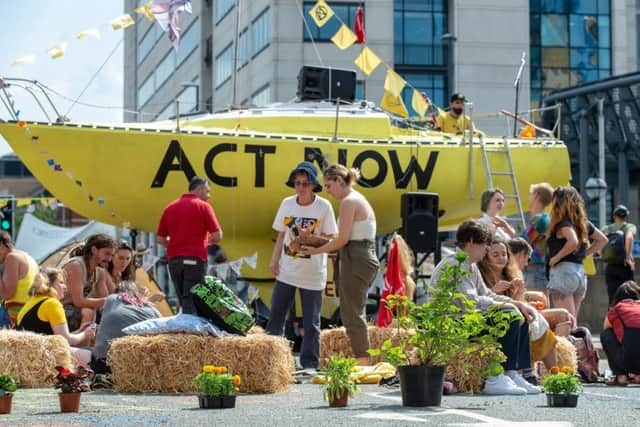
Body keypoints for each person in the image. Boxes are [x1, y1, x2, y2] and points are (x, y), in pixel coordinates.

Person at [430, 220, 540, 395]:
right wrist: (508, 306)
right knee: (509, 315)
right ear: (472, 242)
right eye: (485, 244)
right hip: (452, 324)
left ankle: (512, 373)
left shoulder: (469, 264)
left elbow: (487, 294)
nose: (487, 249)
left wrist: (518, 304)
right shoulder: (455, 264)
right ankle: (495, 378)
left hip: (464, 319)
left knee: (518, 314)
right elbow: (471, 302)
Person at [301, 164, 380, 365]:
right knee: (354, 310)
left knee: (352, 312)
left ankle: (363, 361)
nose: (327, 191)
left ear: (338, 180)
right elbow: (342, 238)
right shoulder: (356, 199)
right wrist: (317, 240)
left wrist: (315, 250)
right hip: (359, 255)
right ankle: (364, 358)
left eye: (328, 185)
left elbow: (342, 239)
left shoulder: (349, 202)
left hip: (356, 256)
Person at [266, 162, 338, 370]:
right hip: (287, 270)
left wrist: (311, 236)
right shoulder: (287, 203)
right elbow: (281, 235)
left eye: (305, 183)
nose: (301, 187)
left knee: (311, 323)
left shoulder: (324, 206)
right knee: (276, 318)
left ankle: (309, 364)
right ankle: (272, 361)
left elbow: (331, 237)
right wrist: (274, 260)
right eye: (297, 183)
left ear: (313, 185)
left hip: (313, 273)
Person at [478, 238, 560, 383]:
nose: (501, 258)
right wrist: (493, 290)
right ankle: (526, 371)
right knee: (527, 320)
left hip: (513, 312)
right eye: (495, 255)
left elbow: (517, 302)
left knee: (540, 325)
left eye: (504, 254)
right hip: (492, 315)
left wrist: (519, 290)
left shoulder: (510, 273)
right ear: (486, 257)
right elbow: (481, 300)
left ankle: (556, 375)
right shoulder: (481, 275)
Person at [157, 176, 222, 314]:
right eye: (207, 191)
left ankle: (185, 330)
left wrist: (176, 243)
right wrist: (205, 241)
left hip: (174, 261)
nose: (209, 196)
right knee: (193, 301)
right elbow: (217, 236)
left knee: (183, 300)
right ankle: (192, 333)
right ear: (199, 189)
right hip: (195, 258)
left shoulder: (170, 207)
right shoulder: (204, 206)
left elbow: (160, 239)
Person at [546, 186, 607, 322]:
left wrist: (556, 257)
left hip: (563, 272)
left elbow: (572, 241)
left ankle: (570, 343)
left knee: (566, 322)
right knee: (572, 321)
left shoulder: (563, 224)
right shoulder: (584, 224)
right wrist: (584, 254)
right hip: (579, 272)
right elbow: (603, 240)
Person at [16, 268, 94, 367]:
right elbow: (66, 340)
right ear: (49, 285)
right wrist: (85, 334)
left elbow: (55, 337)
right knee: (93, 357)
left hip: (27, 358)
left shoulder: (30, 303)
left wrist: (80, 331)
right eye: (61, 283)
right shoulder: (52, 303)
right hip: (45, 358)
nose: (65, 287)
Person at [507, 238, 574, 336]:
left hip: (519, 309)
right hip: (516, 312)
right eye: (528, 259)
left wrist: (530, 302)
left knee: (567, 316)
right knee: (563, 315)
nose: (527, 264)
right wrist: (529, 302)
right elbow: (511, 300)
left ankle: (555, 346)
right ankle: (558, 349)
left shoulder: (515, 271)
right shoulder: (507, 271)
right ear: (521, 254)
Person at [91, 281, 161, 375]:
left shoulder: (112, 299)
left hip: (106, 364)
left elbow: (104, 324)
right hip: (144, 365)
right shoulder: (152, 308)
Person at [61, 233, 116, 332]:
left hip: (75, 310)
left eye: (112, 255)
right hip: (58, 309)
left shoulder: (100, 271)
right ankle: (80, 345)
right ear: (94, 250)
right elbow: (79, 301)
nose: (109, 259)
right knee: (88, 312)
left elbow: (105, 300)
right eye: (107, 253)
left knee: (110, 314)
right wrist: (111, 300)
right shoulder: (76, 266)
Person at [601, 281, 640, 386]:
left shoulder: (617, 309)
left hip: (628, 359)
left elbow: (606, 328)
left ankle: (621, 376)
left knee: (606, 334)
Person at [0, 230, 40, 326]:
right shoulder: (26, 255)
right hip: (30, 312)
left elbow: (6, 294)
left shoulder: (12, 258)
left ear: (1, 246)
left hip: (15, 317)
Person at [522, 183, 554, 296]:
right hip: (537, 268)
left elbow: (524, 242)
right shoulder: (543, 218)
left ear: (536, 195)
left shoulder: (540, 219)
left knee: (538, 306)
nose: (529, 198)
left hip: (535, 269)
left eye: (531, 194)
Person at [601, 205, 637, 305]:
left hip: (611, 266)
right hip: (624, 265)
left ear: (614, 216)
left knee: (612, 297)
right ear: (626, 216)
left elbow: (600, 241)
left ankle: (613, 318)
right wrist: (628, 257)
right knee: (630, 295)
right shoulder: (629, 226)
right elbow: (629, 238)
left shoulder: (606, 228)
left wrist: (603, 255)